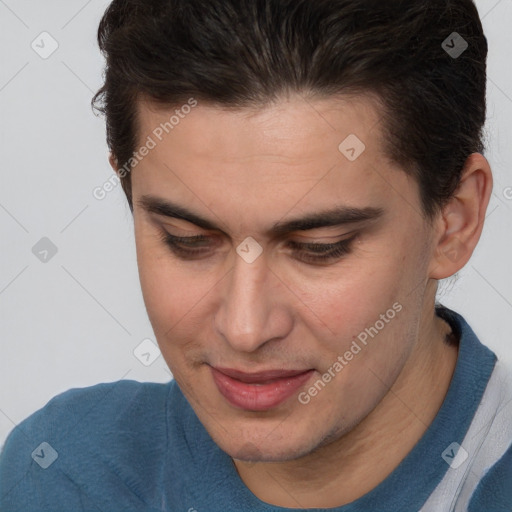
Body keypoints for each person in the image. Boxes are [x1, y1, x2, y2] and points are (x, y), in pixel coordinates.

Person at [1, 0, 511, 510]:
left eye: (319, 249)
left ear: (454, 221)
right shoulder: (58, 477)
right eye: (187, 239)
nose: (244, 329)